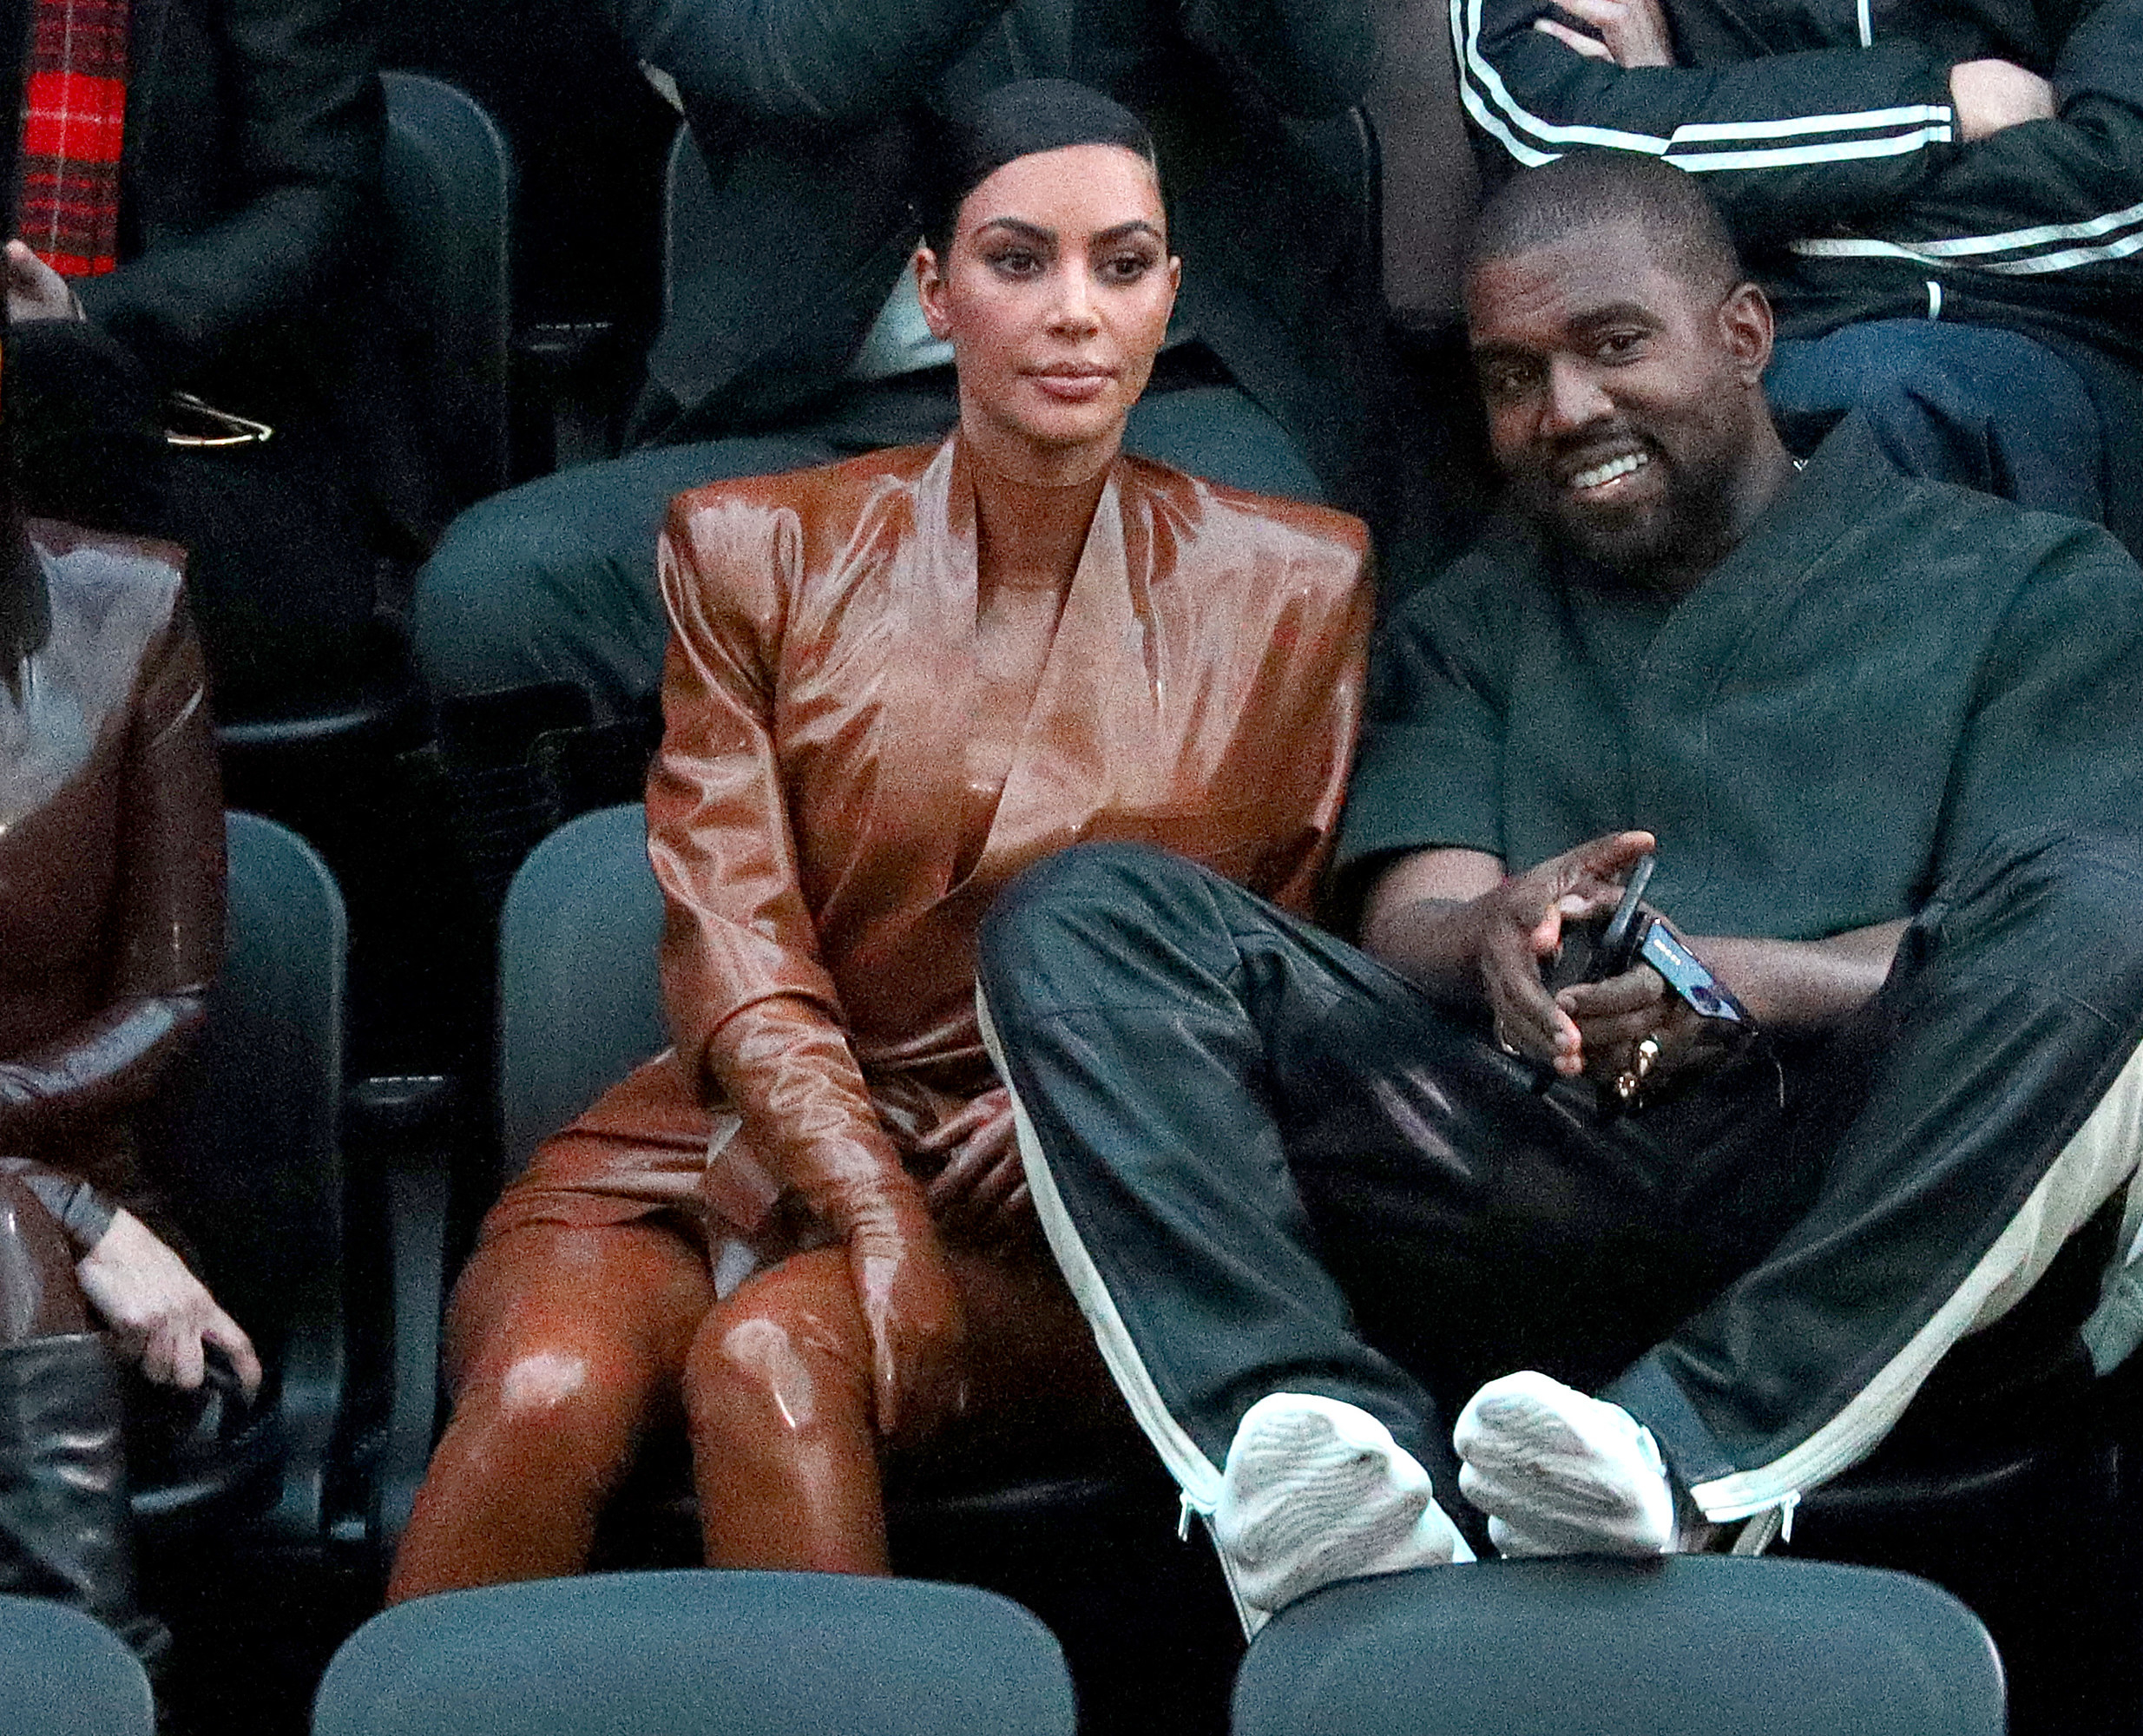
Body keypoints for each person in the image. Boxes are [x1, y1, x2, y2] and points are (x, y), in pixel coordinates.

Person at [973, 148, 2143, 1633]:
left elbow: (2061, 941)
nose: (1565, 412)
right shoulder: (1476, 616)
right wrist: (1488, 932)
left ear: (1746, 337)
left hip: (1855, 1177)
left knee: (2128, 917)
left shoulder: (2031, 588)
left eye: (1613, 345)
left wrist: (1748, 981)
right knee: (1086, 918)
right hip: (1519, 1173)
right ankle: (1320, 1468)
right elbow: (1415, 914)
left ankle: (1692, 1451)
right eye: (1514, 376)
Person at [385, 82, 1374, 1599]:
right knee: (542, 1395)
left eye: (1123, 266)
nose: (1072, 314)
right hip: (705, 1158)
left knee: (775, 1360)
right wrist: (862, 1209)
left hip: (1061, 1196)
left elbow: (1267, 972)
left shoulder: (1295, 585)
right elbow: (736, 943)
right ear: (933, 289)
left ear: (1175, 296)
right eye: (1017, 259)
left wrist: (1063, 1113)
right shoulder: (751, 551)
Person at [409, 0, 1393, 722]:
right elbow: (798, 67)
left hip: (1152, 399)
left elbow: (1323, 67)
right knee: (494, 594)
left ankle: (1148, 967)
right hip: (821, 426)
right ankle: (654, 931)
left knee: (1245, 551)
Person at [1452, 0, 2143, 519]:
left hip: (2075, 356)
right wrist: (1932, 110)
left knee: (1881, 418)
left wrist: (1732, 179)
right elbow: (1553, 164)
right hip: (1718, 356)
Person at [0, 483, 265, 1659]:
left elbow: (169, 998)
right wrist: (57, 1208)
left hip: (85, 1255)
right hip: (79, 1236)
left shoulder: (126, 605)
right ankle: (110, 1678)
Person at [3, 0, 386, 712]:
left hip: (222, 455)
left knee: (45, 381)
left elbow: (322, 210)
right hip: (21, 451)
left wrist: (84, 316)